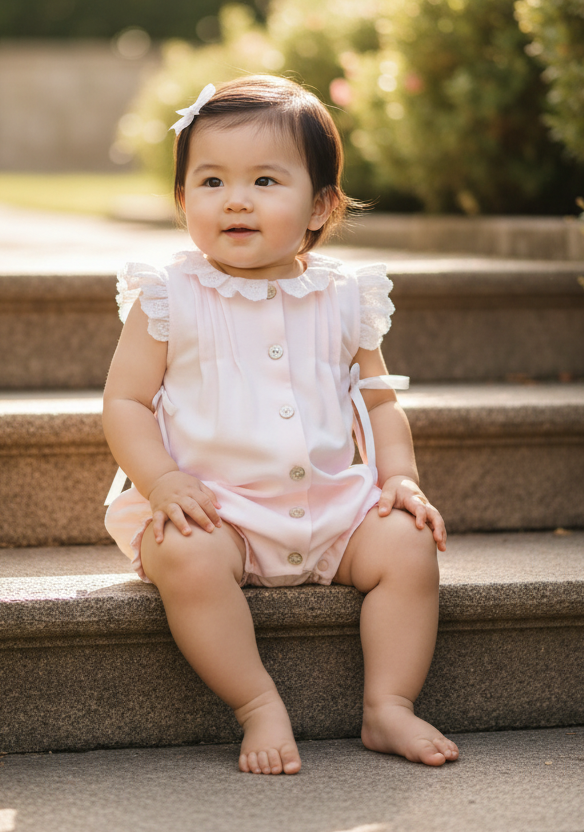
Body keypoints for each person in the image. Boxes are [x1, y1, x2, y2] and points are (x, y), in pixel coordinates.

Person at [102, 75, 458, 775]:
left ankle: (389, 703)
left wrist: (402, 482)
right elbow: (125, 403)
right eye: (210, 182)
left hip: (333, 508)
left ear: (321, 204)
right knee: (186, 558)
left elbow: (380, 400)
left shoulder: (343, 296)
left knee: (409, 548)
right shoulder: (169, 296)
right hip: (219, 511)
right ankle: (257, 702)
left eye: (265, 180)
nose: (235, 199)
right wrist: (163, 480)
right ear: (182, 201)